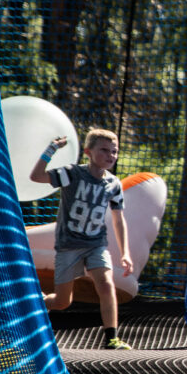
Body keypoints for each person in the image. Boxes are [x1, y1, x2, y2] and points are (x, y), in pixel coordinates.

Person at [30, 128, 134, 350]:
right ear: (88, 152)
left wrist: (125, 253)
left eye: (114, 151)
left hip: (96, 245)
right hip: (69, 246)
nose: (110, 155)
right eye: (104, 150)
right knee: (62, 302)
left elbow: (119, 220)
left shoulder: (114, 184)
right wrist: (51, 149)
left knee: (106, 285)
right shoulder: (72, 173)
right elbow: (36, 177)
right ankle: (38, 301)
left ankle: (111, 338)